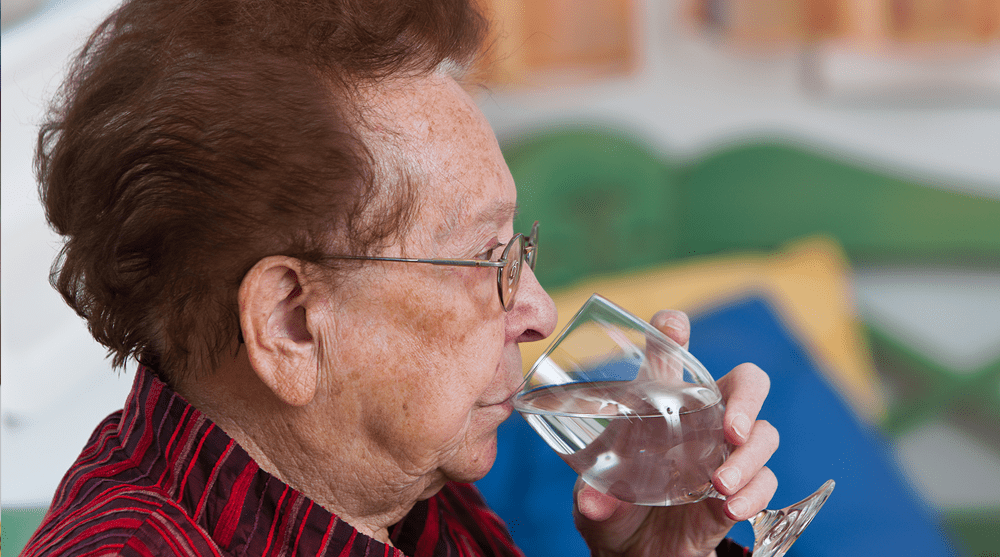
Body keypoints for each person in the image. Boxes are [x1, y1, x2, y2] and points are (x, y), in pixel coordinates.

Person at [22, 0, 779, 555]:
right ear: (291, 322)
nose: (541, 309)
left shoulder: (401, 504)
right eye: (489, 258)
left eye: (521, 248)